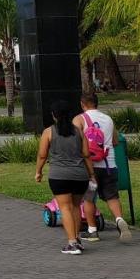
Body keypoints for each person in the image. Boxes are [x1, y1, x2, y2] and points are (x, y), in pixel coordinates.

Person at [35, 101, 97, 255]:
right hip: (79, 176)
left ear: (54, 115)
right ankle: (77, 239)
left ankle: (72, 243)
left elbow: (42, 155)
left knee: (65, 208)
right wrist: (91, 175)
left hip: (59, 176)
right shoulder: (78, 132)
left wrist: (38, 172)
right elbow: (86, 155)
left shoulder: (48, 132)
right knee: (76, 207)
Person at [79, 93, 132, 242]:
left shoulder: (80, 119)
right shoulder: (108, 119)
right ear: (97, 104)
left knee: (89, 199)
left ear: (83, 104)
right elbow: (115, 141)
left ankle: (92, 231)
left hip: (91, 167)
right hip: (109, 165)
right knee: (112, 197)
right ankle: (119, 220)